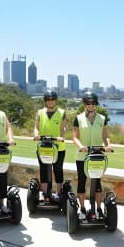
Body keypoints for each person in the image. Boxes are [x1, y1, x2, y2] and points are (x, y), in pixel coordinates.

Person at [72, 91, 112, 219]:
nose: (90, 105)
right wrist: (80, 146)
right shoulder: (78, 118)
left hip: (97, 156)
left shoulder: (102, 119)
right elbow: (75, 137)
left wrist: (108, 145)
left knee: (97, 182)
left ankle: (99, 209)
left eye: (93, 103)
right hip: (82, 156)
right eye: (88, 103)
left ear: (96, 104)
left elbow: (105, 136)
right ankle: (83, 208)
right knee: (82, 182)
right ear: (85, 104)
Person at [33, 90, 66, 200]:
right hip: (43, 146)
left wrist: (61, 137)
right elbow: (36, 127)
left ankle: (58, 192)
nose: (50, 102)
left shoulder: (62, 112)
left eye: (52, 99)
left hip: (58, 147)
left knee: (58, 169)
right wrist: (36, 134)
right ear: (45, 101)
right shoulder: (40, 112)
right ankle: (45, 193)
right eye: (48, 100)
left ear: (55, 100)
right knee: (43, 168)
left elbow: (63, 128)